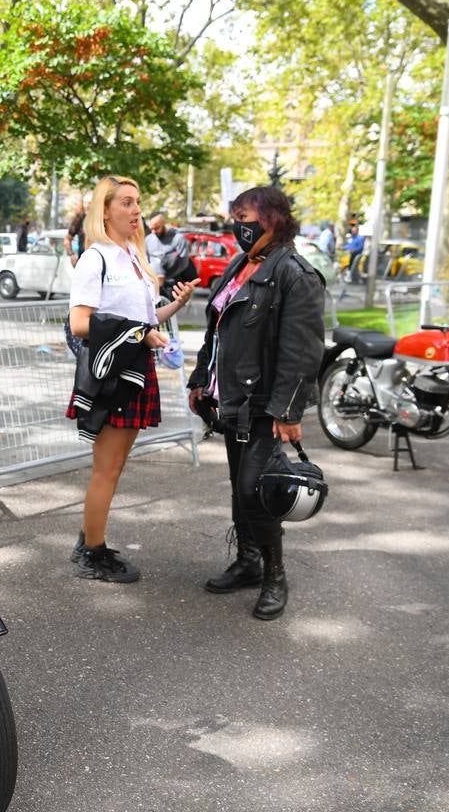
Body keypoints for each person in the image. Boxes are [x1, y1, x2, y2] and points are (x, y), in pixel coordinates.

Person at [186, 186, 324, 620]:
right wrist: (199, 379)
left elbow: (301, 351)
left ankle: (274, 574)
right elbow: (218, 331)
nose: (237, 225)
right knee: (239, 486)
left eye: (244, 216)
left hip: (265, 403)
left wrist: (288, 410)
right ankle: (248, 562)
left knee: (255, 489)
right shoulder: (241, 266)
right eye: (235, 217)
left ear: (272, 218)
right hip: (232, 399)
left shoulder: (295, 274)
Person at [65, 176, 193, 583]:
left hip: (136, 372)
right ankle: (92, 553)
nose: (136, 210)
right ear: (105, 211)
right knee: (106, 469)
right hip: (114, 377)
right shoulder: (95, 258)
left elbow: (147, 319)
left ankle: (91, 541)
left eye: (138, 202)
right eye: (126, 203)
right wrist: (141, 334)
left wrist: (175, 304)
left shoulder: (134, 257)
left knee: (114, 467)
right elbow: (80, 322)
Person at [144, 210, 197, 297]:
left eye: (157, 228)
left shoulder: (178, 239)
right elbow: (146, 260)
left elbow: (184, 263)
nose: (154, 231)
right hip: (152, 284)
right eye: (151, 229)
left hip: (171, 285)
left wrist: (165, 276)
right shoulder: (148, 240)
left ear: (164, 223)